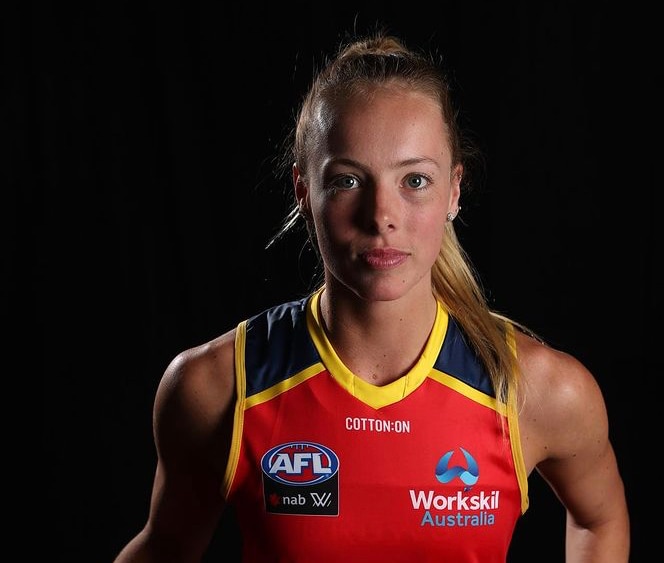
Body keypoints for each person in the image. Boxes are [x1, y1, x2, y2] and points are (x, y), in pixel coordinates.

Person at [114, 30, 630, 562]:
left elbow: (599, 519)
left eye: (415, 181)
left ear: (454, 190)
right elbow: (167, 544)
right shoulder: (219, 387)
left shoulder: (536, 391)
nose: (382, 215)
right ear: (302, 191)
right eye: (347, 181)